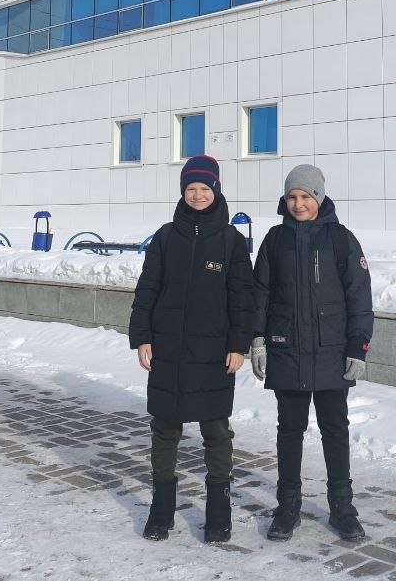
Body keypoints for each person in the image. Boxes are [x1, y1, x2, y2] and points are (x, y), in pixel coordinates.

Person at [130, 154, 254, 543]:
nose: (197, 195)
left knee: (216, 431)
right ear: (182, 191)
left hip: (214, 353)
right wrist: (143, 336)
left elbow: (243, 299)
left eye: (204, 188)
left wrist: (239, 345)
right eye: (191, 188)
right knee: (164, 429)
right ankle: (161, 510)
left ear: (216, 190)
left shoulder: (231, 241)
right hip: (167, 350)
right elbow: (147, 289)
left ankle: (218, 511)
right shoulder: (166, 237)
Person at [250, 164, 374, 542]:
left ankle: (342, 508)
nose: (298, 204)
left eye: (305, 196)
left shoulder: (341, 240)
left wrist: (358, 347)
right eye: (292, 197)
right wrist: (257, 339)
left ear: (319, 197)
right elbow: (260, 294)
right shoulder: (275, 240)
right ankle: (287, 507)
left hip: (331, 353)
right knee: (289, 431)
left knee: (335, 430)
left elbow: (359, 297)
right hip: (287, 350)